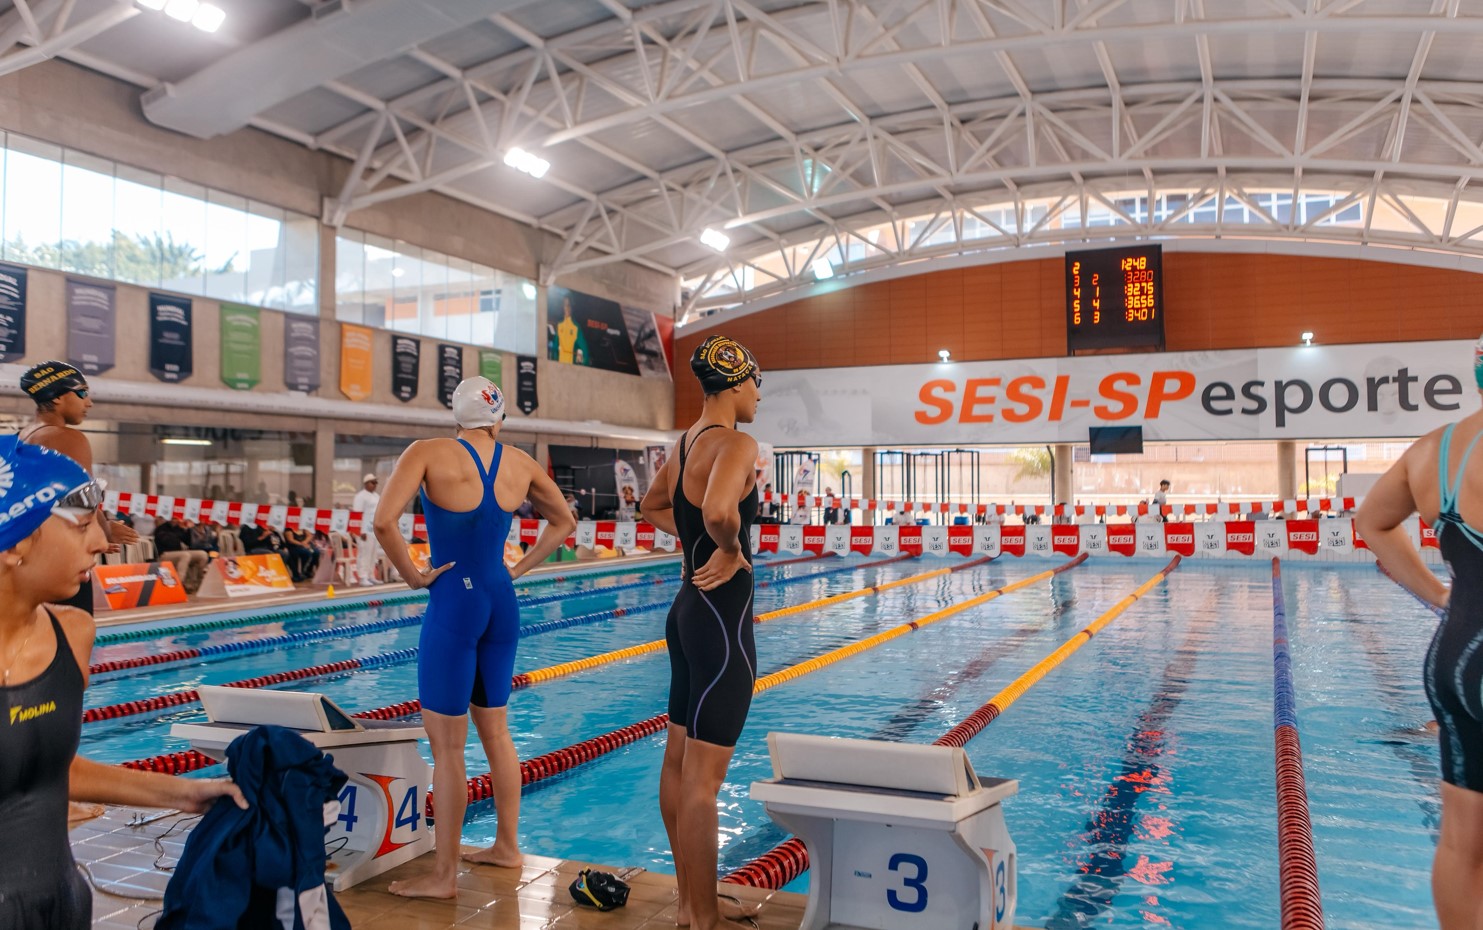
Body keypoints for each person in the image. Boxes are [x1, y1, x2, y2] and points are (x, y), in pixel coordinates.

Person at [0, 436, 245, 930]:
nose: (101, 542)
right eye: (85, 526)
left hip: (61, 902)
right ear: (17, 541)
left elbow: (44, 770)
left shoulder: (73, 633)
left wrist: (187, 794)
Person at [373, 376, 573, 899]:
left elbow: (383, 522)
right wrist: (520, 568)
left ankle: (443, 878)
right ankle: (508, 846)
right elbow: (564, 520)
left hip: (454, 602)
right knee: (498, 734)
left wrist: (414, 576)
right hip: (499, 598)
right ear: (499, 419)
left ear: (455, 417)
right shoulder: (521, 463)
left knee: (448, 750)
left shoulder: (427, 452)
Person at [1356, 335, 1483, 930]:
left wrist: (1437, 594)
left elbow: (1371, 522)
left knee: (1462, 843)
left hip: (1457, 657)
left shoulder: (1436, 449)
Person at [640, 335, 763, 930]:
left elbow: (651, 505)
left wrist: (692, 553)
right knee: (704, 783)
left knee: (678, 765)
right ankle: (705, 916)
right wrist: (730, 548)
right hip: (722, 620)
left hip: (687, 609)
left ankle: (691, 904)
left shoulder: (686, 443)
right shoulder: (737, 442)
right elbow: (718, 511)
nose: (760, 397)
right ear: (738, 384)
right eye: (758, 385)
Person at [16, 361, 139, 607]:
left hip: (25, 559)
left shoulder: (25, 436)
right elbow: (84, 501)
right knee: (71, 637)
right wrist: (104, 532)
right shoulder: (67, 438)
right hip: (60, 561)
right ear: (58, 397)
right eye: (82, 393)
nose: (88, 403)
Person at [153, 516, 208, 594]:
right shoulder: (162, 528)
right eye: (174, 518)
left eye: (177, 518)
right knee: (185, 555)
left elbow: (189, 543)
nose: (176, 520)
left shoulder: (179, 528)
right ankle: (178, 584)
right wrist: (181, 530)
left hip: (179, 553)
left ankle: (199, 584)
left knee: (202, 554)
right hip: (164, 554)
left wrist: (188, 530)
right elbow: (169, 542)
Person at [352, 474, 381, 586]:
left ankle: (370, 575)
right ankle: (362, 577)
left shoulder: (377, 496)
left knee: (373, 553)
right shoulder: (360, 496)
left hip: (374, 529)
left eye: (375, 483)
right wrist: (361, 530)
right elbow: (357, 513)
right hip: (364, 529)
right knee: (364, 553)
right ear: (366, 483)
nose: (374, 485)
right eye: (372, 482)